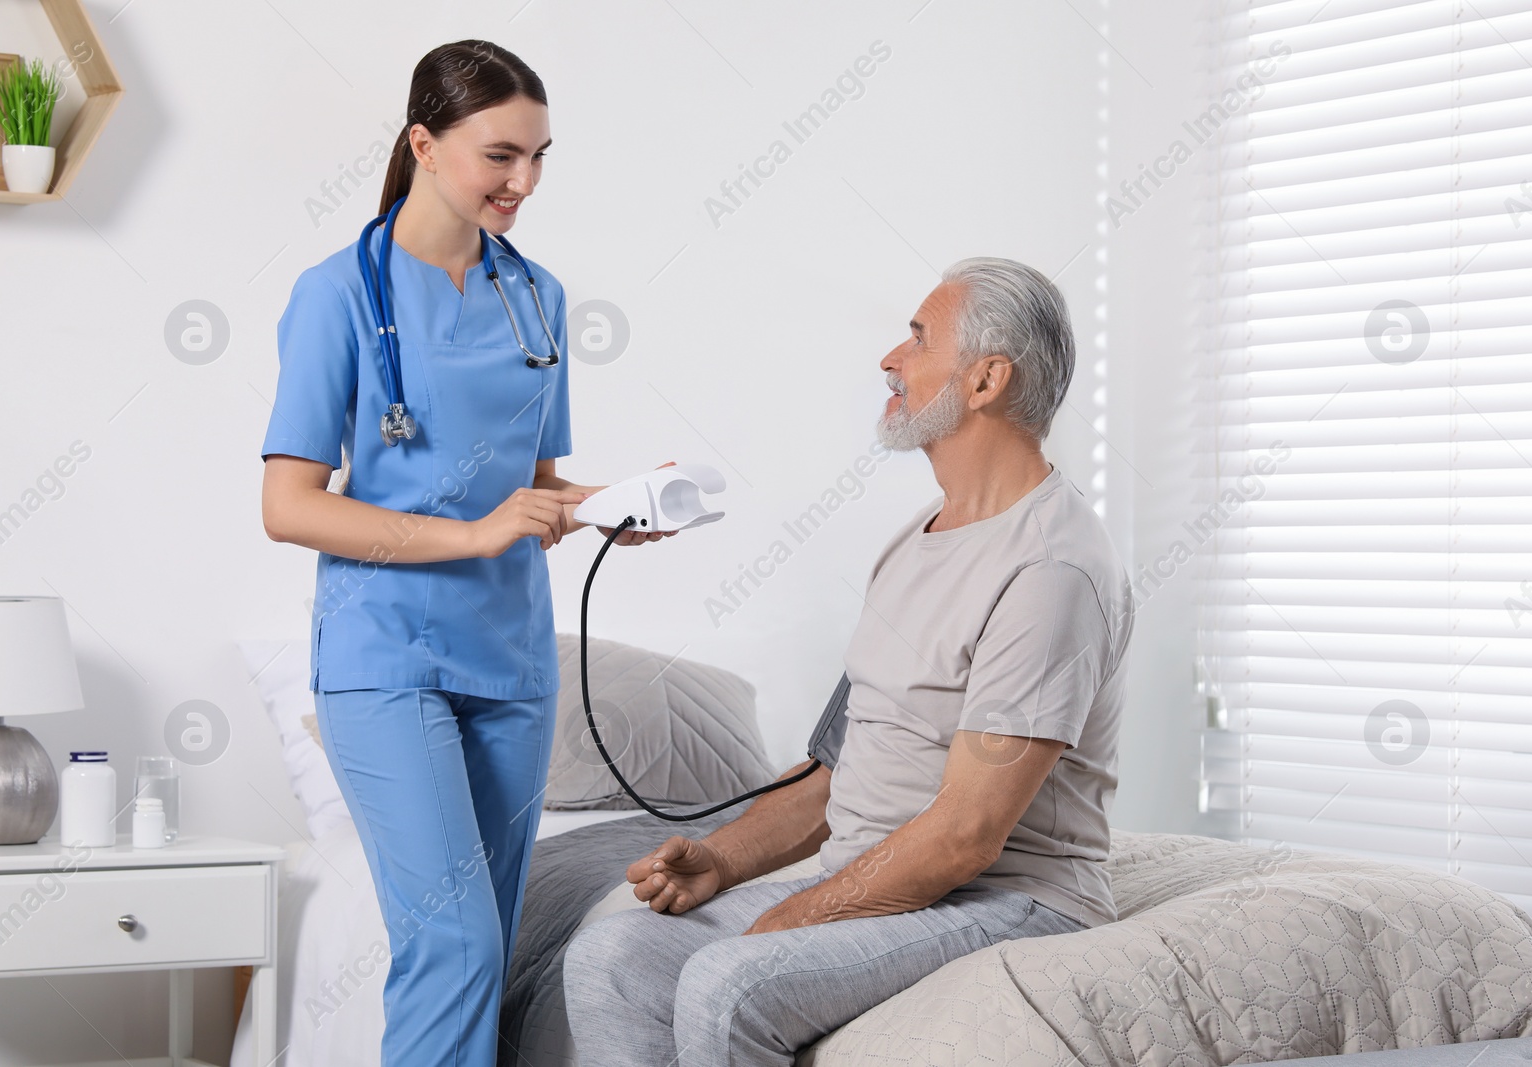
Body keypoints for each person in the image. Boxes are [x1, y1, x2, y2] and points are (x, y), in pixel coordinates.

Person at [563, 257, 1135, 1066]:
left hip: (1012, 899)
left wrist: (794, 920)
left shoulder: (1050, 568)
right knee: (611, 961)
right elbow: (835, 771)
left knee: (730, 984)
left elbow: (969, 834)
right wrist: (722, 859)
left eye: (916, 337)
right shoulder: (918, 538)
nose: (889, 361)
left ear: (986, 381)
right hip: (874, 875)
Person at [259, 39, 669, 1065]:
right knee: (451, 939)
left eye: (537, 156)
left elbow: (535, 482)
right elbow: (289, 504)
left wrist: (614, 503)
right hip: (386, 659)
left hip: (512, 662)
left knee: (487, 944)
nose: (522, 182)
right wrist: (476, 533)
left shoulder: (537, 298)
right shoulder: (337, 293)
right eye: (499, 155)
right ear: (423, 144)